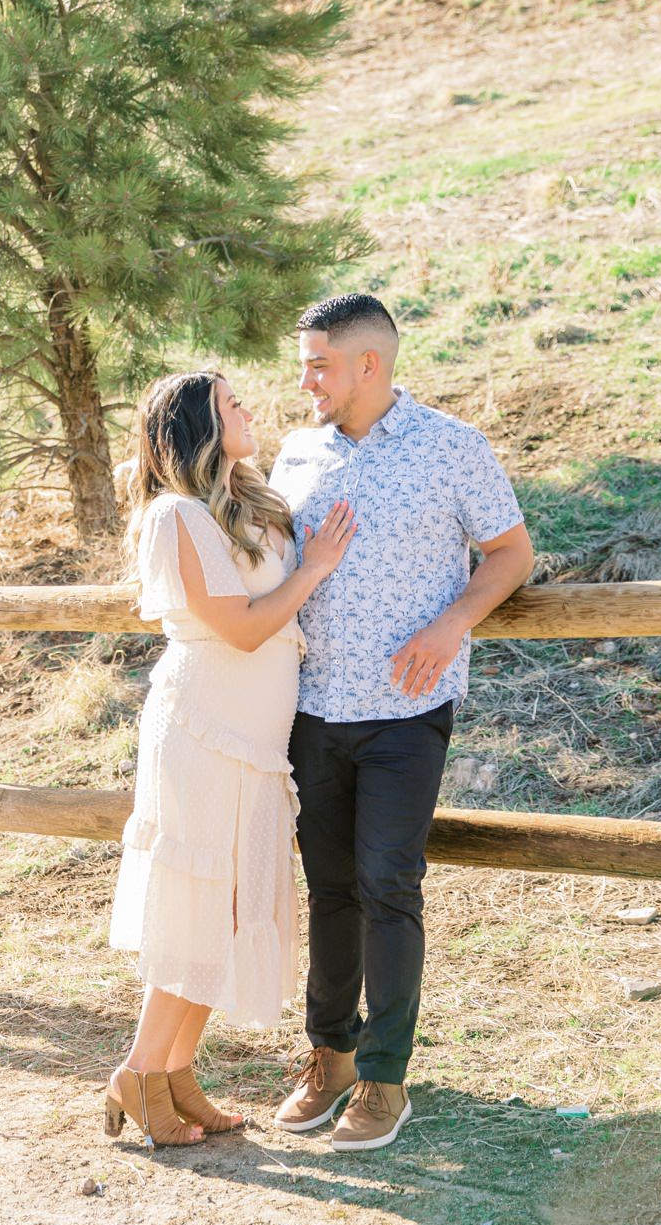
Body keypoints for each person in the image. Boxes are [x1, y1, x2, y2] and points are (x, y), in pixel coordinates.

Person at [268, 294, 533, 1151]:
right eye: (304, 364)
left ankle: (384, 1079)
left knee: (389, 883)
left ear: (367, 365)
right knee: (330, 888)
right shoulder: (296, 453)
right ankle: (329, 1058)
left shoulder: (452, 448)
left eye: (318, 364)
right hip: (310, 709)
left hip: (406, 713)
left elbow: (512, 553)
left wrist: (453, 622)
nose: (305, 380)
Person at [103, 369, 356, 1148]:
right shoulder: (175, 515)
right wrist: (315, 569)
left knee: (233, 903)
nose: (249, 411)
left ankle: (177, 1073)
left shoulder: (245, 501)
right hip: (204, 729)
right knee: (201, 901)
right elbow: (241, 629)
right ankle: (141, 1074)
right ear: (195, 429)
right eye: (231, 405)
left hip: (256, 740)